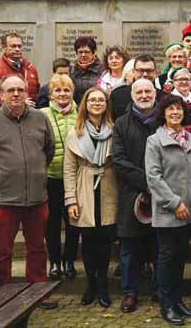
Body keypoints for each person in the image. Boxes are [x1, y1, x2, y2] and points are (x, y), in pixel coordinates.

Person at [0, 75, 55, 309]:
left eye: (20, 89)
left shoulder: (40, 119)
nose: (16, 94)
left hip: (37, 198)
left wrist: (35, 173)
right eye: (11, 90)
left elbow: (48, 150)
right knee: (2, 251)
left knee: (37, 248)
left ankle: (38, 292)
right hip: (3, 200)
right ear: (1, 95)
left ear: (28, 93)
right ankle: (3, 295)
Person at [146, 93, 191, 325]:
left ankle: (177, 300)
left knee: (181, 257)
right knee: (167, 258)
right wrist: (174, 203)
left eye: (179, 109)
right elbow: (154, 177)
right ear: (163, 113)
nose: (175, 112)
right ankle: (166, 304)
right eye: (170, 109)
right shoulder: (154, 141)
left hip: (190, 211)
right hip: (168, 211)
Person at [64, 87, 117, 308]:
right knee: (87, 242)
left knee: (104, 241)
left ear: (106, 105)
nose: (96, 103)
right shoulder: (74, 132)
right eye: (92, 100)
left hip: (108, 187)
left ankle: (103, 285)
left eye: (101, 100)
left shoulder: (114, 130)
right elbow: (68, 169)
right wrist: (71, 200)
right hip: (84, 187)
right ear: (85, 104)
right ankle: (90, 285)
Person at [113, 79, 158, 313]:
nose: (143, 95)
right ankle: (129, 292)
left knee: (159, 244)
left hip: (161, 194)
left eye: (147, 91)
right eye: (138, 91)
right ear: (132, 95)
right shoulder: (121, 123)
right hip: (131, 193)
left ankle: (159, 289)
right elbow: (118, 159)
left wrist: (156, 185)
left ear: (154, 93)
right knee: (129, 247)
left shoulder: (164, 120)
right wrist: (145, 181)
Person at [41, 74, 79, 281]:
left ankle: (69, 261)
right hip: (51, 177)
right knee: (52, 223)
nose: (62, 94)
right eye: (58, 90)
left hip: (74, 179)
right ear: (50, 94)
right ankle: (55, 261)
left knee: (73, 222)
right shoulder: (41, 114)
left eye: (66, 90)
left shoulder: (80, 113)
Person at [0, 32, 40, 111]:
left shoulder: (31, 69)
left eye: (19, 46)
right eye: (13, 46)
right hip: (4, 118)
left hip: (28, 117)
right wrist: (20, 102)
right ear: (4, 48)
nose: (17, 49)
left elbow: (37, 94)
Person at [110, 54, 159, 120]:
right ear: (134, 72)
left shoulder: (164, 98)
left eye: (149, 71)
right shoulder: (117, 96)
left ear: (155, 73)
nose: (145, 74)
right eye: (140, 70)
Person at [70, 36, 103, 105]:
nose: (83, 55)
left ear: (93, 53)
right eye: (80, 52)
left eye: (87, 52)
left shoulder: (103, 71)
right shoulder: (71, 72)